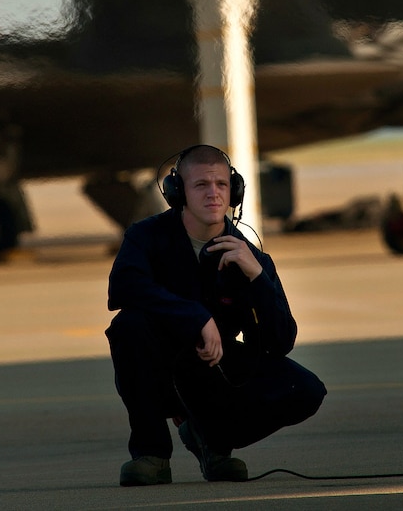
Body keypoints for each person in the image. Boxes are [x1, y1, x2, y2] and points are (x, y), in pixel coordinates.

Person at [105, 144, 326, 486]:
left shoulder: (248, 255)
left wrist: (257, 279)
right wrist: (196, 318)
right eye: (201, 185)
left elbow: (279, 341)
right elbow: (123, 288)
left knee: (306, 389)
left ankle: (213, 441)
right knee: (128, 325)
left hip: (214, 371)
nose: (213, 194)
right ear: (178, 192)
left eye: (222, 185)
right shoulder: (147, 237)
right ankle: (151, 454)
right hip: (160, 367)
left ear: (234, 189)